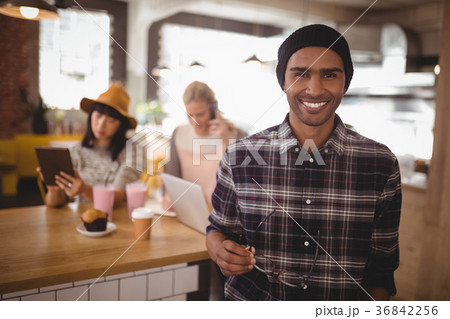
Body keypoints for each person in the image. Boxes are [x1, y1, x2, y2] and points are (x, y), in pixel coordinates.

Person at [206, 24, 402, 301]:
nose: (314, 89)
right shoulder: (239, 157)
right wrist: (219, 250)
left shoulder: (380, 165)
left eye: (330, 75)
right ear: (283, 82)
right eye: (301, 74)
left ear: (345, 83)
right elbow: (218, 230)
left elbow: (382, 269)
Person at [39, 84, 141, 207]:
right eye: (98, 115)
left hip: (119, 219)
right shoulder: (75, 151)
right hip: (81, 222)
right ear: (91, 115)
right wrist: (54, 190)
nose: (101, 125)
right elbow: (54, 204)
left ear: (121, 125)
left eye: (111, 120)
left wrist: (85, 190)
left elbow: (119, 195)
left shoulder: (133, 150)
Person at [164, 81, 247, 210]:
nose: (194, 121)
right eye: (190, 115)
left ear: (213, 109)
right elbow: (172, 176)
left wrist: (225, 141)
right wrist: (169, 196)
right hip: (189, 210)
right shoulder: (179, 133)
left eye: (200, 115)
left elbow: (241, 182)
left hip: (223, 212)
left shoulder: (237, 135)